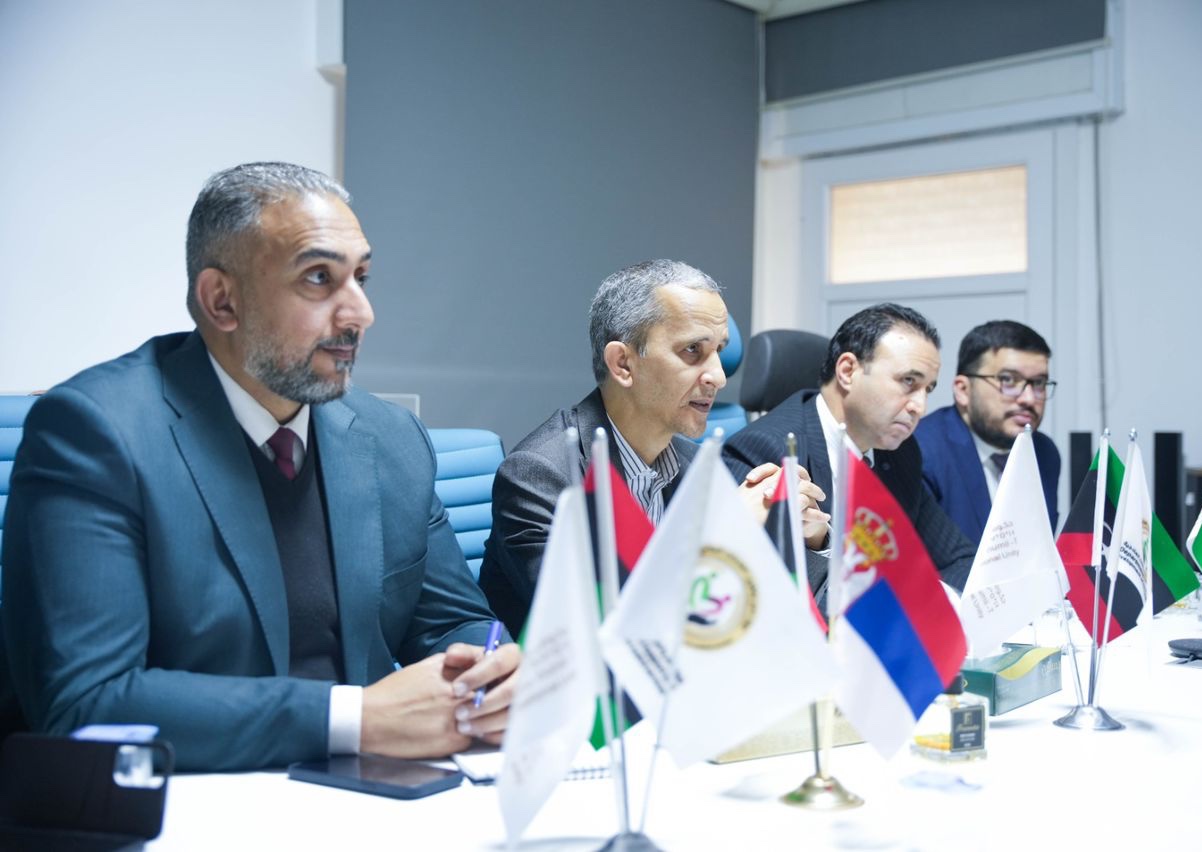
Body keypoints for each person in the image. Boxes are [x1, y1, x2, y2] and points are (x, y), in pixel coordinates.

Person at [0, 162, 519, 772]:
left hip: (377, 793)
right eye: (319, 278)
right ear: (222, 301)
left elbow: (454, 622)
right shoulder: (95, 433)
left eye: (361, 277)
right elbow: (87, 701)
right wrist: (353, 718)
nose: (360, 313)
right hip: (187, 796)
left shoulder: (391, 438)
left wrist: (496, 673)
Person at [478, 259, 827, 637]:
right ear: (623, 364)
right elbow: (606, 628)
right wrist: (730, 533)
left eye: (719, 351)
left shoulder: (697, 464)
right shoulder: (540, 475)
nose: (719, 377)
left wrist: (803, 537)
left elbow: (799, 605)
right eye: (693, 350)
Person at [723, 303, 974, 600]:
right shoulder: (766, 451)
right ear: (847, 371)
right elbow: (770, 593)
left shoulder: (899, 452)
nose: (920, 406)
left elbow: (959, 559)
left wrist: (931, 602)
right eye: (908, 381)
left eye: (927, 389)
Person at [914, 320, 1060, 544]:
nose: (1029, 399)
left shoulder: (1044, 451)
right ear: (963, 390)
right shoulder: (921, 452)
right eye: (1008, 380)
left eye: (1039, 383)